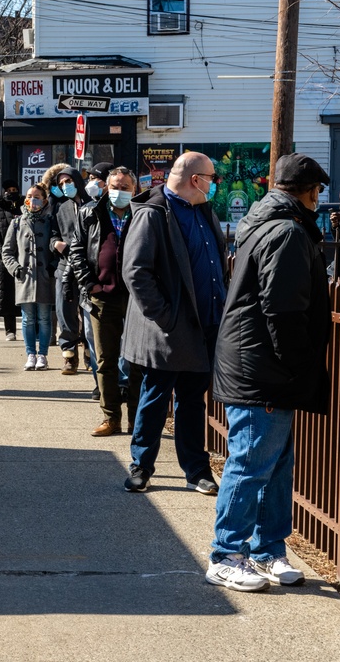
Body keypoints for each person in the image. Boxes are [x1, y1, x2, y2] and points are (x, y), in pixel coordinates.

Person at [206, 153, 332, 592]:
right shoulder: (287, 232)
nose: (321, 199)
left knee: (274, 463)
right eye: (318, 191)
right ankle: (227, 554)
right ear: (309, 191)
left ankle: (267, 551)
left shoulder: (264, 223)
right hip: (264, 367)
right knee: (252, 461)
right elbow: (282, 308)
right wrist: (298, 364)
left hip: (257, 362)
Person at [120, 151, 227, 494]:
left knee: (193, 401)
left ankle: (197, 470)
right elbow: (136, 273)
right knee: (155, 398)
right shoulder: (154, 213)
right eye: (211, 178)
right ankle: (141, 467)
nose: (214, 184)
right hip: (168, 330)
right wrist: (166, 316)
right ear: (195, 180)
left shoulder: (202, 211)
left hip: (203, 326)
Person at [71, 166, 143, 436]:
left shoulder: (143, 213)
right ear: (106, 187)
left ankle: (136, 421)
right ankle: (110, 417)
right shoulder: (90, 212)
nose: (119, 192)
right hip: (102, 297)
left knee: (137, 363)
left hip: (137, 299)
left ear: (134, 190)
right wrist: (89, 284)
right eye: (115, 186)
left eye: (125, 188)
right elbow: (77, 250)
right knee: (105, 361)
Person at [2, 184, 61, 371]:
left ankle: (43, 355)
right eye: (29, 196)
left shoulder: (51, 221)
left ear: (44, 200)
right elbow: (7, 251)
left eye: (36, 197)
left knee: (44, 318)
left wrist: (52, 268)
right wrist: (16, 269)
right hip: (24, 277)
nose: (32, 200)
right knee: (27, 319)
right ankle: (30, 354)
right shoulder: (17, 222)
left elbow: (58, 249)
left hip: (44, 277)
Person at [51, 167, 91, 375]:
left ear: (77, 181)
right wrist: (55, 243)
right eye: (61, 184)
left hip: (87, 267)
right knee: (65, 311)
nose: (65, 186)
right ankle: (69, 355)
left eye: (68, 181)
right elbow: (53, 233)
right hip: (64, 266)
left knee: (88, 312)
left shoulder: (92, 205)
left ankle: (89, 352)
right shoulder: (61, 207)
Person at [0, 179, 23, 341]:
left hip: (24, 258)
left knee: (27, 294)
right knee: (7, 294)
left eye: (14, 189)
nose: (12, 192)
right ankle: (10, 330)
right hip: (4, 260)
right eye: (8, 189)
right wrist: (1, 252)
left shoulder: (25, 207)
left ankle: (32, 329)